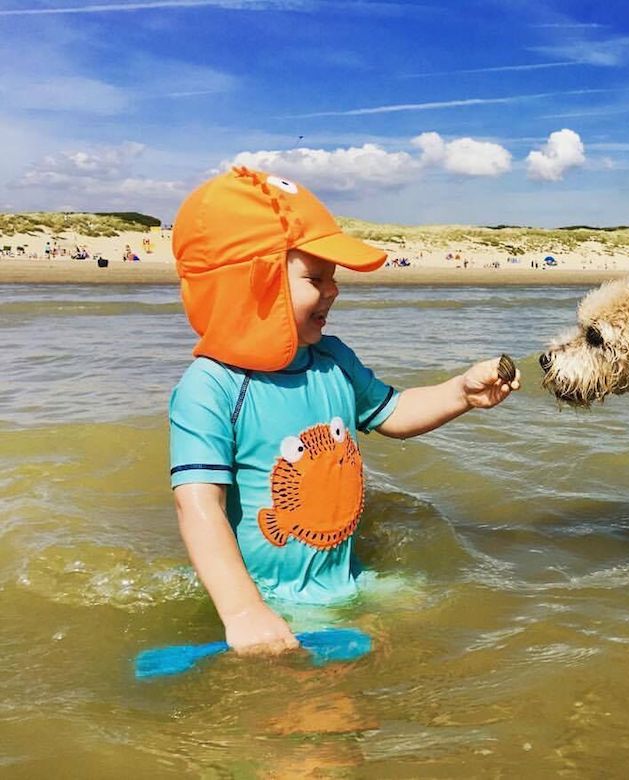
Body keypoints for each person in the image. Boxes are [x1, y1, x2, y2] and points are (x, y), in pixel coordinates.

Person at [169, 167, 521, 656]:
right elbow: (197, 504)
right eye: (315, 278)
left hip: (346, 580)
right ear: (254, 283)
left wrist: (461, 392)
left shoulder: (332, 359)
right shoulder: (211, 387)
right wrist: (243, 611)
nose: (333, 291)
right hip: (270, 599)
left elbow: (393, 411)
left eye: (333, 278)